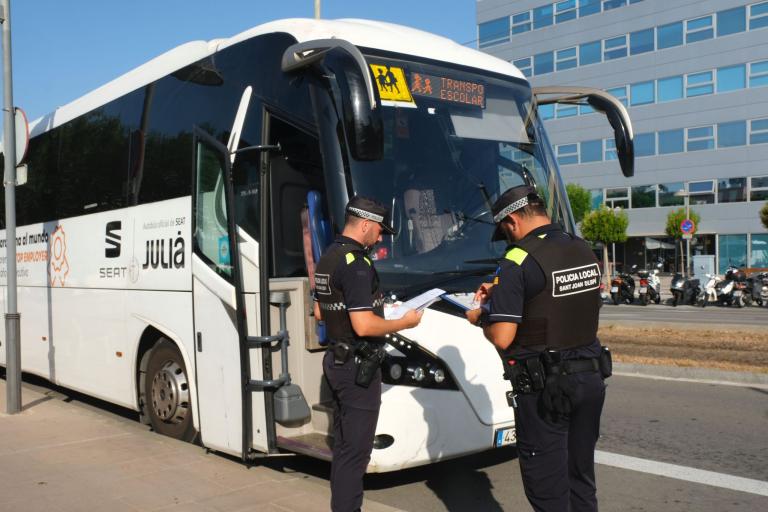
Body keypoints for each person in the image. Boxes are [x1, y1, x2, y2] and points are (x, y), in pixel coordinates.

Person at [466, 185, 610, 512]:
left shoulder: (517, 259)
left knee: (547, 489)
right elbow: (556, 300)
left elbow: (503, 337)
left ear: (512, 221)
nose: (509, 238)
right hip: (590, 380)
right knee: (580, 480)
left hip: (547, 390)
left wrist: (480, 318)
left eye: (506, 232)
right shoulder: (581, 247)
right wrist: (503, 291)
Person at [314, 196, 423, 512]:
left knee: (344, 449)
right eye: (379, 230)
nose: (380, 238)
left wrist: (372, 308)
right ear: (365, 225)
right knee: (356, 454)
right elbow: (363, 326)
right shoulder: (357, 264)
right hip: (357, 368)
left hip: (336, 361)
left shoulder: (329, 257)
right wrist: (404, 321)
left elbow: (320, 312)